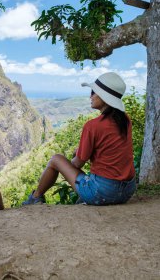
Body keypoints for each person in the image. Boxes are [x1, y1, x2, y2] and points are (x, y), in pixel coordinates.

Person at [22, 72, 136, 206]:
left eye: (93, 92)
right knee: (84, 170)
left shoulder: (93, 126)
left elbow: (76, 164)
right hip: (127, 190)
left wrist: (67, 164)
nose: (90, 96)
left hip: (104, 193)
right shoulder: (125, 120)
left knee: (56, 160)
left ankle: (35, 198)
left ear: (104, 97)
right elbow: (110, 148)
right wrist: (82, 151)